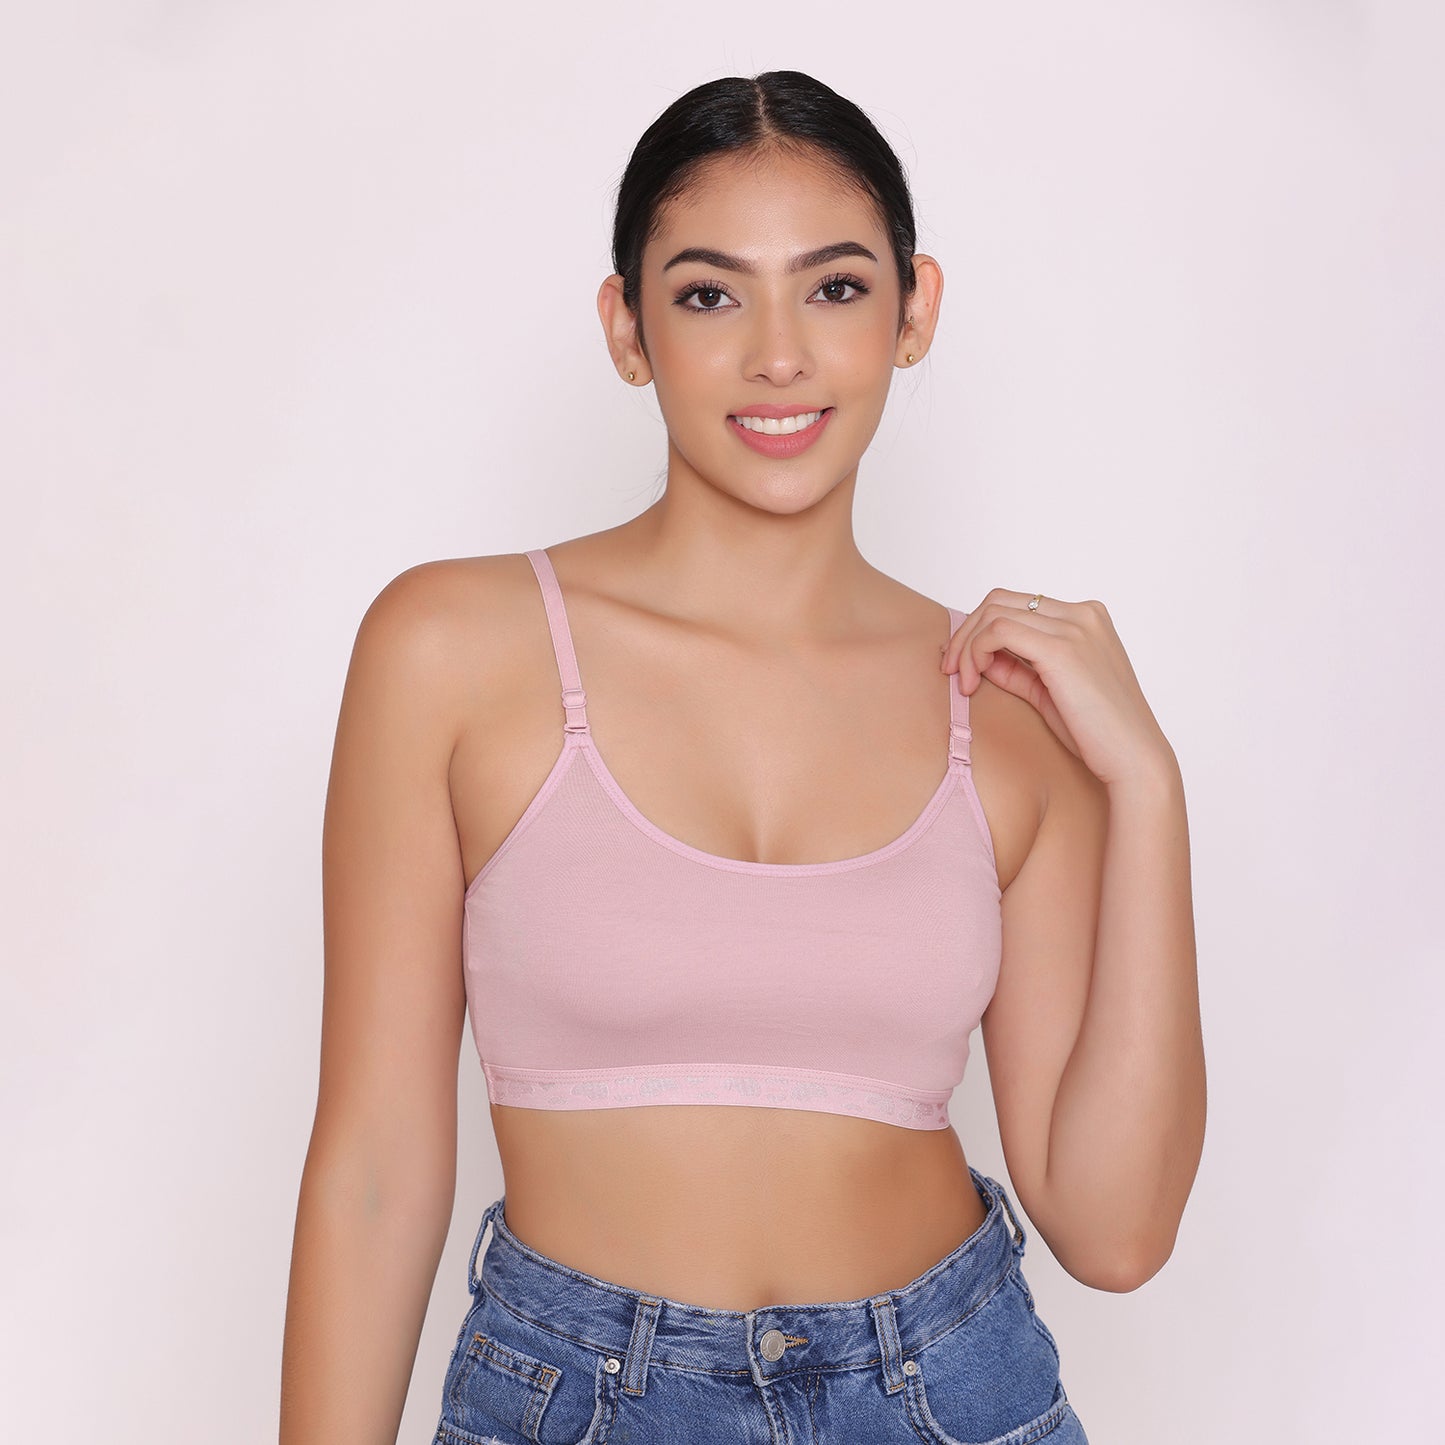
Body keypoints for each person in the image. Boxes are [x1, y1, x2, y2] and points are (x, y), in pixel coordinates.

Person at [279, 70, 1205, 1445]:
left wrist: (1149, 786)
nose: (780, 356)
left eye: (834, 288)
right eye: (711, 294)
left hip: (953, 1396)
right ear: (627, 328)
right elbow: (373, 1168)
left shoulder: (1006, 709)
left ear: (914, 311)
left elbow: (1114, 1230)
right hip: (579, 1398)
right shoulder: (452, 650)